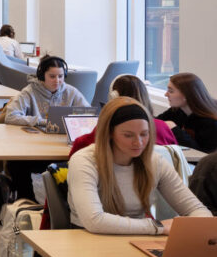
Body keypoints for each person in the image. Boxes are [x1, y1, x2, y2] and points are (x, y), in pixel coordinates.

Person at [67, 97, 211, 234]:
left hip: (137, 238)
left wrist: (194, 225)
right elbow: (94, 221)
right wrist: (158, 226)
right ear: (110, 133)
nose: (139, 142)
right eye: (128, 135)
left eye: (144, 134)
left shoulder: (155, 161)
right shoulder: (84, 161)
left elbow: (197, 209)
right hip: (87, 240)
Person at [4, 55, 89, 201]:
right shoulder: (29, 91)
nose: (57, 80)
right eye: (52, 76)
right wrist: (41, 121)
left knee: (84, 161)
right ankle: (26, 201)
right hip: (34, 148)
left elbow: (89, 116)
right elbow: (10, 116)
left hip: (61, 148)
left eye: (61, 76)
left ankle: (68, 204)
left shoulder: (71, 92)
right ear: (42, 75)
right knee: (16, 163)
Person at [68, 74, 178, 156]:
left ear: (114, 97)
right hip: (157, 184)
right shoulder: (163, 127)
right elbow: (176, 155)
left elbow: (77, 151)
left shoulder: (110, 127)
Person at [157, 72, 217, 153]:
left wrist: (175, 130)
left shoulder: (211, 122)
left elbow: (202, 155)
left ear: (186, 95)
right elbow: (155, 122)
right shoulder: (177, 110)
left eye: (171, 91)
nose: (166, 94)